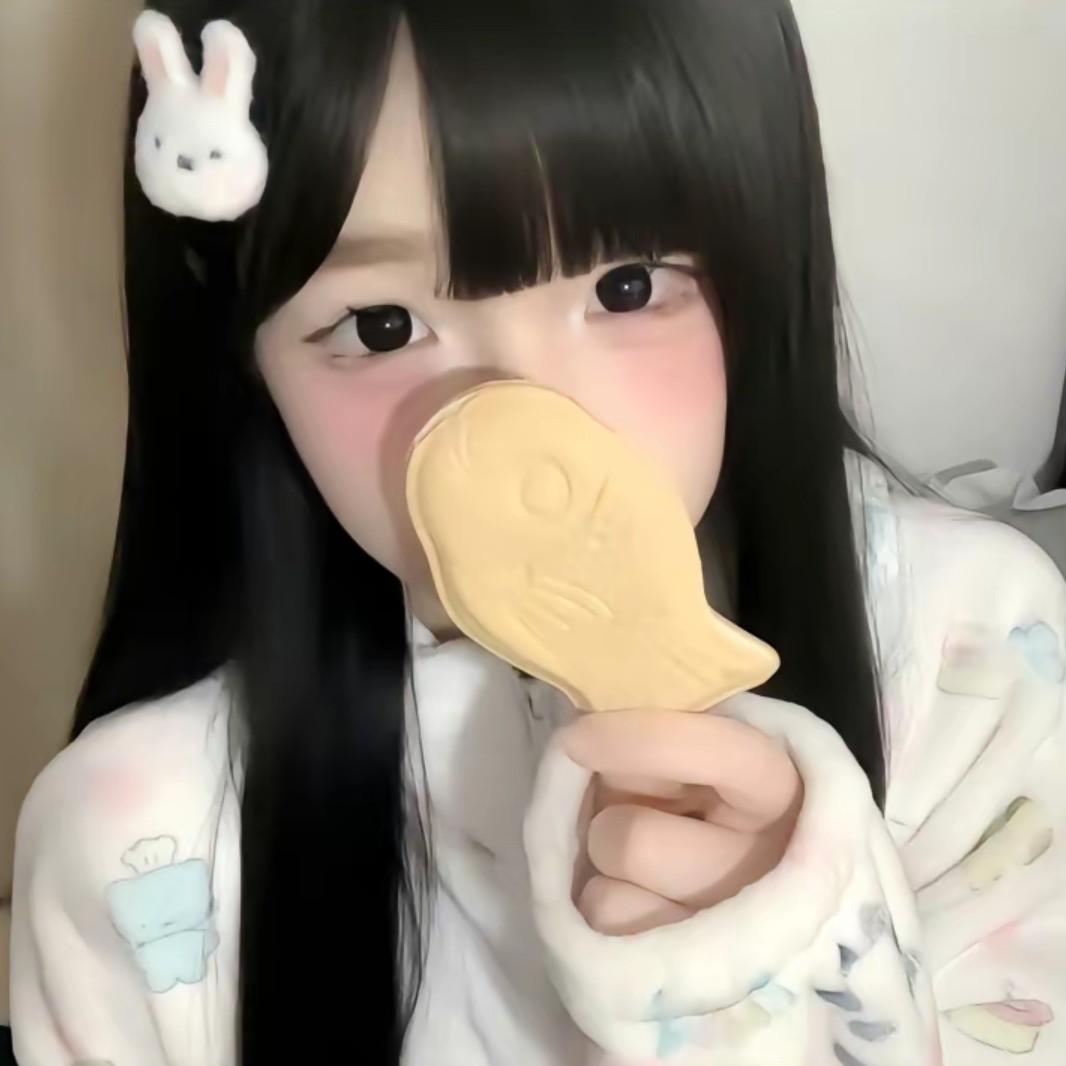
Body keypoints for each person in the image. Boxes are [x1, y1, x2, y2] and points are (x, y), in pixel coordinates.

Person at [9, 2, 1066, 1064]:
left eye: (626, 286)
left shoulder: (972, 658)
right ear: (245, 360)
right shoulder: (135, 852)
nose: (532, 421)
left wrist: (772, 975)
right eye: (383, 326)